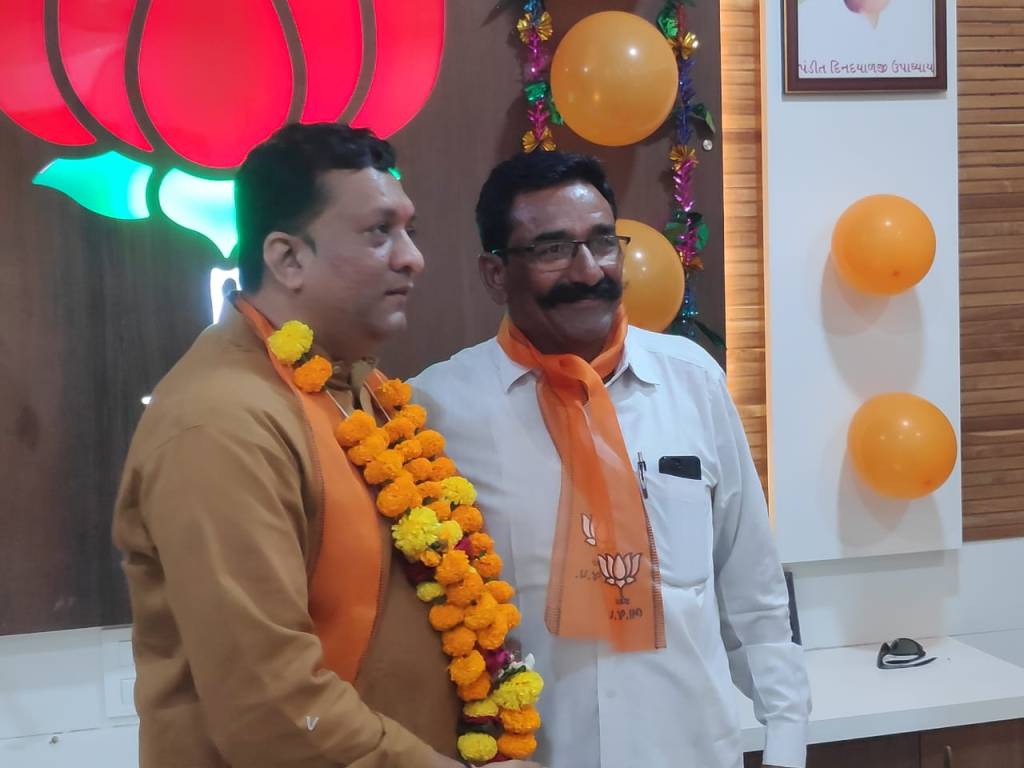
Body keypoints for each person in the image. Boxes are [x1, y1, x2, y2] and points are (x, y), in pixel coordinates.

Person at [112, 124, 536, 768]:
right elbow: (271, 706)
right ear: (287, 258)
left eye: (410, 231)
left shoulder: (357, 387)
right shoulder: (221, 423)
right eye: (378, 232)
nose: (412, 258)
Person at [411, 150, 812, 768]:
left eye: (602, 242)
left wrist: (785, 741)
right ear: (495, 274)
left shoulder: (691, 380)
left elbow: (751, 588)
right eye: (552, 249)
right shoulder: (439, 409)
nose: (588, 270)